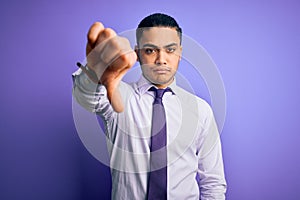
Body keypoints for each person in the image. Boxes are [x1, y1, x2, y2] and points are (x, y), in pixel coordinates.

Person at [73, 13, 227, 199]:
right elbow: (88, 96)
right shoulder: (117, 96)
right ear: (137, 54)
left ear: (180, 53)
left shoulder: (201, 111)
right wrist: (95, 70)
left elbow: (213, 183)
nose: (161, 59)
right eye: (150, 50)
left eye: (170, 50)